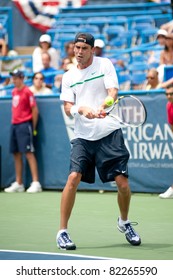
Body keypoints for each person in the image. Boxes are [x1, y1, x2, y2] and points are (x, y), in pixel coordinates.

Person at [56, 32, 141, 250]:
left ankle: (124, 222)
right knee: (73, 177)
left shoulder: (105, 65)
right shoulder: (68, 76)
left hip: (109, 132)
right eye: (77, 48)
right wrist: (81, 109)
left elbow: (113, 90)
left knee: (122, 183)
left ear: (92, 50)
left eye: (84, 49)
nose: (79, 52)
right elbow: (67, 108)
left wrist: (107, 103)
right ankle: (62, 232)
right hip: (83, 136)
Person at [4, 70, 42, 193]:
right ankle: (19, 183)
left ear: (21, 78)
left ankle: (36, 183)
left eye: (15, 78)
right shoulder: (14, 91)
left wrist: (33, 128)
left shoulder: (27, 92)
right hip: (14, 125)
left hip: (25, 126)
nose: (13, 80)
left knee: (29, 153)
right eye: (12, 78)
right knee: (16, 153)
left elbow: (35, 111)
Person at [159, 86, 173, 198]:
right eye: (167, 94)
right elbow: (172, 125)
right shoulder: (169, 106)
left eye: (171, 94)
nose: (169, 96)